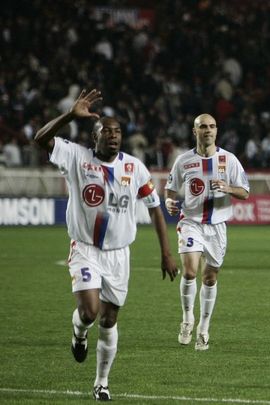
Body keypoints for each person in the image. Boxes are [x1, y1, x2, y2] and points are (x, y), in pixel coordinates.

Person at [34, 89, 178, 401]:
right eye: (106, 131)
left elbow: (155, 207)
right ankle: (79, 332)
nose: (113, 137)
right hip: (85, 248)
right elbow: (40, 139)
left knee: (110, 320)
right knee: (89, 311)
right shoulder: (76, 156)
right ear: (95, 136)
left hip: (119, 255)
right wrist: (70, 115)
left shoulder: (135, 167)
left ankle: (101, 382)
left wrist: (166, 252)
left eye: (117, 132)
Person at [165, 113, 250, 351]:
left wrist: (228, 188)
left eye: (212, 126)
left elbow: (245, 191)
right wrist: (169, 203)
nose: (208, 130)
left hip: (217, 227)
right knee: (190, 271)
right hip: (191, 222)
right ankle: (187, 318)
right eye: (203, 126)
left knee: (210, 278)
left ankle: (203, 328)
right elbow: (170, 190)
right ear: (195, 131)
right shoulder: (183, 161)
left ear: (216, 130)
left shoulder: (229, 160)